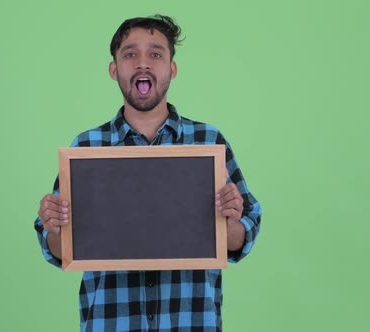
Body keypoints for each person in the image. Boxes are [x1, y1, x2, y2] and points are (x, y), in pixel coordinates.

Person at [34, 15, 262, 331]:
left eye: (156, 54)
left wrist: (230, 218)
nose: (143, 63)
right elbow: (58, 248)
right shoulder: (87, 148)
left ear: (172, 69)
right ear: (114, 70)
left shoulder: (209, 143)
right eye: (130, 54)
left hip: (190, 322)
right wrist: (55, 226)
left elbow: (242, 235)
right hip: (111, 323)